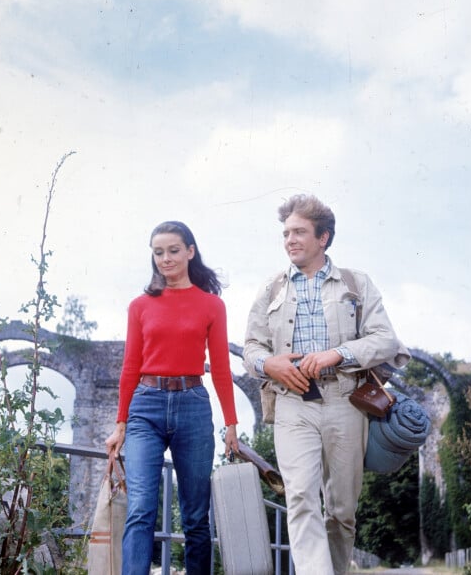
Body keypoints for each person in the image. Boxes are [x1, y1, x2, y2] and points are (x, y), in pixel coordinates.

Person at [243, 194, 409, 575]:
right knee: (300, 497)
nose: (290, 240)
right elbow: (251, 347)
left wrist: (338, 354)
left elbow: (385, 339)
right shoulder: (271, 289)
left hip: (345, 401)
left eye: (299, 232)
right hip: (291, 402)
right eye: (285, 233)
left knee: (341, 511)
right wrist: (269, 364)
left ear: (324, 237)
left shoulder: (356, 283)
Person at [106, 220, 239, 575]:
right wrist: (120, 424)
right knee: (141, 508)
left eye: (173, 251)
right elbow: (130, 366)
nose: (165, 259)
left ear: (190, 252)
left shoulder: (212, 305)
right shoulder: (140, 306)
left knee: (196, 515)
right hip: (144, 408)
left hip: (192, 405)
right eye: (158, 252)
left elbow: (222, 369)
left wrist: (231, 423)